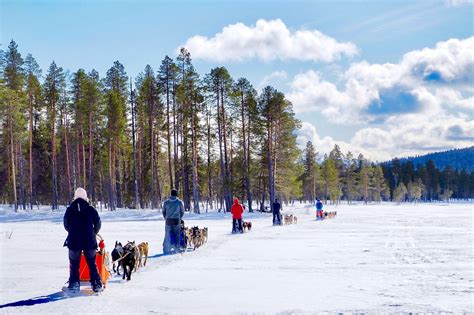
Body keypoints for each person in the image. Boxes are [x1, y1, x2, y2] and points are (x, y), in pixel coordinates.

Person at [63, 187, 103, 292]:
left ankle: (74, 284)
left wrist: (72, 232)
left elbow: (66, 225)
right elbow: (98, 223)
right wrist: (93, 232)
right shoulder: (91, 209)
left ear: (75, 197)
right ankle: (96, 284)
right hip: (89, 241)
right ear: (86, 197)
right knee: (92, 263)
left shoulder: (70, 209)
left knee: (74, 264)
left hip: (74, 241)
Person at [162, 189, 184, 254]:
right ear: (176, 194)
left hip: (168, 220)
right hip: (176, 221)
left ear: (171, 194)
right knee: (177, 234)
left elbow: (163, 211)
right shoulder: (179, 202)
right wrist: (180, 218)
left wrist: (166, 217)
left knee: (167, 234)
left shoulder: (166, 202)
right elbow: (182, 211)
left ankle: (166, 249)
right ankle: (177, 248)